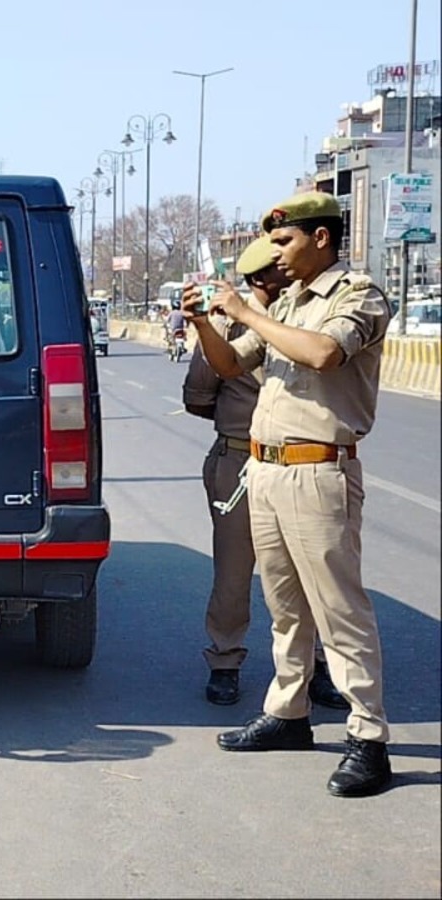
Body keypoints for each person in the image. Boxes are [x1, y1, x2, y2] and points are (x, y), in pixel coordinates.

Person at [185, 192, 393, 798]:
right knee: (286, 607)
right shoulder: (290, 304)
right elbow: (229, 366)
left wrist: (248, 312)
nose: (275, 255)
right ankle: (289, 713)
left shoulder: (356, 296)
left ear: (320, 238)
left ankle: (368, 737)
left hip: (318, 471)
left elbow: (326, 354)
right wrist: (204, 320)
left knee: (340, 610)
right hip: (266, 470)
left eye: (285, 241)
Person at [182, 236, 346, 710]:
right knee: (235, 574)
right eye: (280, 271)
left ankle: (313, 667)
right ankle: (225, 663)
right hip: (238, 463)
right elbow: (197, 395)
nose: (290, 273)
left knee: (306, 572)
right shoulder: (228, 327)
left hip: (300, 463)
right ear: (261, 281)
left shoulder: (306, 319)